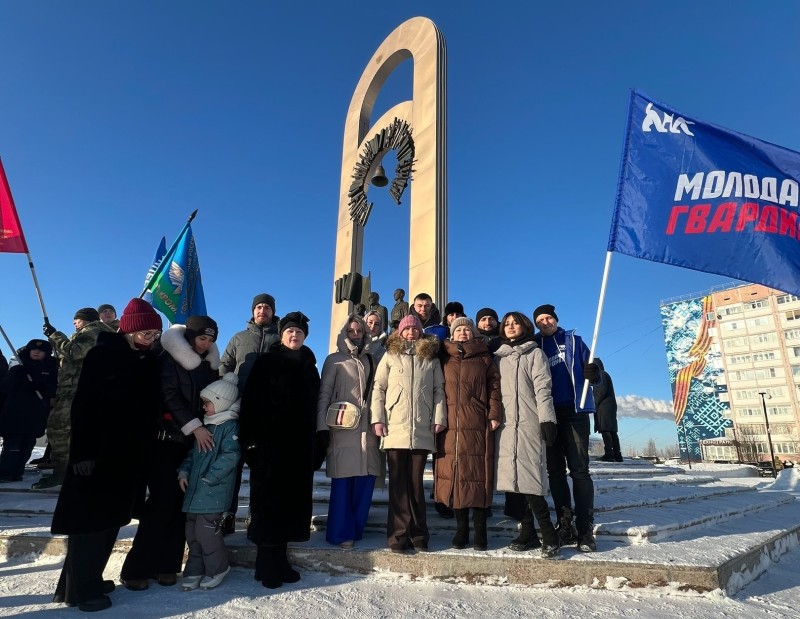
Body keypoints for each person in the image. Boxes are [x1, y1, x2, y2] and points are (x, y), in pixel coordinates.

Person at [50, 298, 163, 612]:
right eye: (145, 332)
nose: (150, 338)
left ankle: (82, 582)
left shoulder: (147, 359)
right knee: (89, 524)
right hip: (97, 455)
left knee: (110, 521)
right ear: (129, 330)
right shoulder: (103, 354)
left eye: (155, 334)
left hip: (127, 457)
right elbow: (83, 405)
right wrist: (83, 453)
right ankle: (81, 592)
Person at [120, 315, 220, 590]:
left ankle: (167, 564)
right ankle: (137, 567)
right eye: (202, 338)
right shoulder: (168, 357)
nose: (205, 344)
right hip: (165, 440)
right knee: (162, 502)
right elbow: (169, 395)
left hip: (191, 445)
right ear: (190, 336)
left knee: (180, 505)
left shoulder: (210, 367)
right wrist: (195, 427)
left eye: (210, 340)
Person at [239, 311, 320, 589]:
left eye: (299, 332)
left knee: (289, 508)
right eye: (289, 332)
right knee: (268, 506)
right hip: (269, 448)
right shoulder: (266, 363)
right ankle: (265, 564)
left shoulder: (310, 366)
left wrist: (317, 446)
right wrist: (250, 442)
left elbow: (315, 409)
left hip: (298, 450)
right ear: (282, 335)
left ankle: (281, 560)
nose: (294, 335)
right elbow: (250, 404)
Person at [371, 314, 446, 553]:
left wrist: (439, 418)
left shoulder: (430, 358)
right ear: (400, 333)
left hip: (422, 428)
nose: (411, 333)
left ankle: (419, 535)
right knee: (397, 485)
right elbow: (379, 388)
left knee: (415, 485)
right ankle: (398, 536)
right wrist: (378, 419)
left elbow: (438, 390)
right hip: (395, 428)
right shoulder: (390, 356)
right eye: (407, 329)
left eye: (415, 329)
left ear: (420, 332)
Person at [532, 304, 600, 552]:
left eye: (548, 318)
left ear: (556, 319)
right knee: (555, 472)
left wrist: (595, 373)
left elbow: (595, 374)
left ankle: (585, 529)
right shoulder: (534, 346)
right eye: (540, 320)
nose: (545, 322)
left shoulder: (574, 340)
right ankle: (565, 524)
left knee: (580, 471)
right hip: (548, 414)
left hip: (574, 412)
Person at [494, 311, 560, 558]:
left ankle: (549, 534)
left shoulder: (535, 353)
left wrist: (547, 420)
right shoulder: (498, 357)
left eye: (515, 323)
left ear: (524, 327)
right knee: (512, 482)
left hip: (530, 423)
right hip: (505, 426)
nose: (510, 327)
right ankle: (528, 533)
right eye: (507, 324)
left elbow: (543, 389)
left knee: (531, 479)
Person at [435, 317, 501, 550]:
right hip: (449, 423)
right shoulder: (444, 357)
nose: (463, 332)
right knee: (456, 475)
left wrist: (494, 414)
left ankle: (480, 530)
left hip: (477, 420)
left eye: (467, 329)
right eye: (459, 329)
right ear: (452, 334)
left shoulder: (484, 358)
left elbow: (494, 387)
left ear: (473, 333)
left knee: (478, 473)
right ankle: (461, 529)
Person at [218, 293, 280, 535]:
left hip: (267, 414)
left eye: (266, 307)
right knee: (232, 464)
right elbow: (225, 364)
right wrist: (229, 389)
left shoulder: (280, 338)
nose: (262, 310)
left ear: (273, 311)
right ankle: (228, 513)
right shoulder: (239, 338)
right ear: (253, 311)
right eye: (259, 307)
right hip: (238, 411)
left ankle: (256, 514)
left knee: (262, 468)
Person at [316, 314, 379, 549]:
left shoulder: (372, 360)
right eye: (351, 331)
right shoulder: (334, 360)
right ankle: (341, 533)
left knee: (365, 482)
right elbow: (324, 393)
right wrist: (322, 426)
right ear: (344, 333)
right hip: (342, 428)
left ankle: (356, 529)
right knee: (343, 483)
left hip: (368, 429)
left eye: (359, 331)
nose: (356, 335)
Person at [37, 308, 115, 489]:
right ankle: (66, 470)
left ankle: (63, 473)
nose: (74, 323)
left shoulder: (94, 330)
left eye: (77, 320)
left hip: (76, 390)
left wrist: (55, 335)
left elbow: (75, 352)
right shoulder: (91, 333)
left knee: (61, 431)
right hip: (73, 390)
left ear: (87, 320)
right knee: (65, 431)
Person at [177, 373, 241, 591]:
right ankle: (194, 571)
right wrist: (184, 472)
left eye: (207, 403)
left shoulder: (229, 427)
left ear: (221, 403)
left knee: (207, 534)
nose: (203, 408)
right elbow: (192, 455)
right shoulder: (206, 427)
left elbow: (230, 456)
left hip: (213, 492)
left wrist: (210, 477)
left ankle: (218, 568)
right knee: (192, 535)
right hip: (195, 492)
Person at [0, 339, 57, 482]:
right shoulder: (18, 368)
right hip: (15, 414)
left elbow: (53, 389)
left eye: (40, 350)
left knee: (27, 446)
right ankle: (5, 473)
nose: (36, 352)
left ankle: (17, 472)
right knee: (12, 446)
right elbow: (5, 388)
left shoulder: (50, 369)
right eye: (33, 349)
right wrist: (17, 375)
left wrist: (42, 388)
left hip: (36, 415)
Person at [593, 357, 622, 463]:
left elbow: (600, 391)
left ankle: (609, 454)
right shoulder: (605, 374)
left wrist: (594, 404)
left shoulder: (600, 375)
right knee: (612, 431)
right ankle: (617, 455)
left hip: (603, 407)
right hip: (609, 407)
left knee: (606, 430)